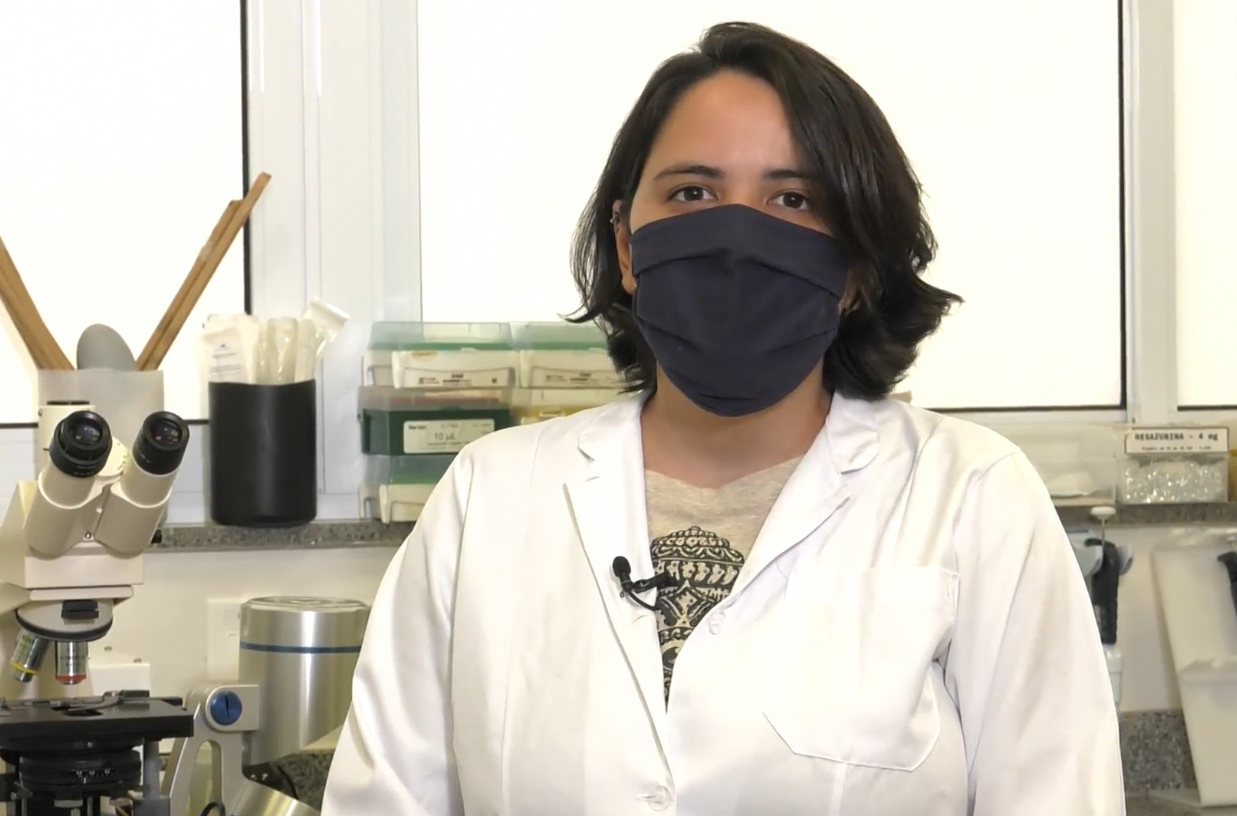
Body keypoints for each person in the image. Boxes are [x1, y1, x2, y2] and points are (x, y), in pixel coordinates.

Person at [322, 20, 1124, 816]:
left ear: (854, 268)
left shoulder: (971, 496)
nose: (737, 239)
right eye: (692, 193)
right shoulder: (491, 496)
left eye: (792, 199)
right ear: (626, 247)